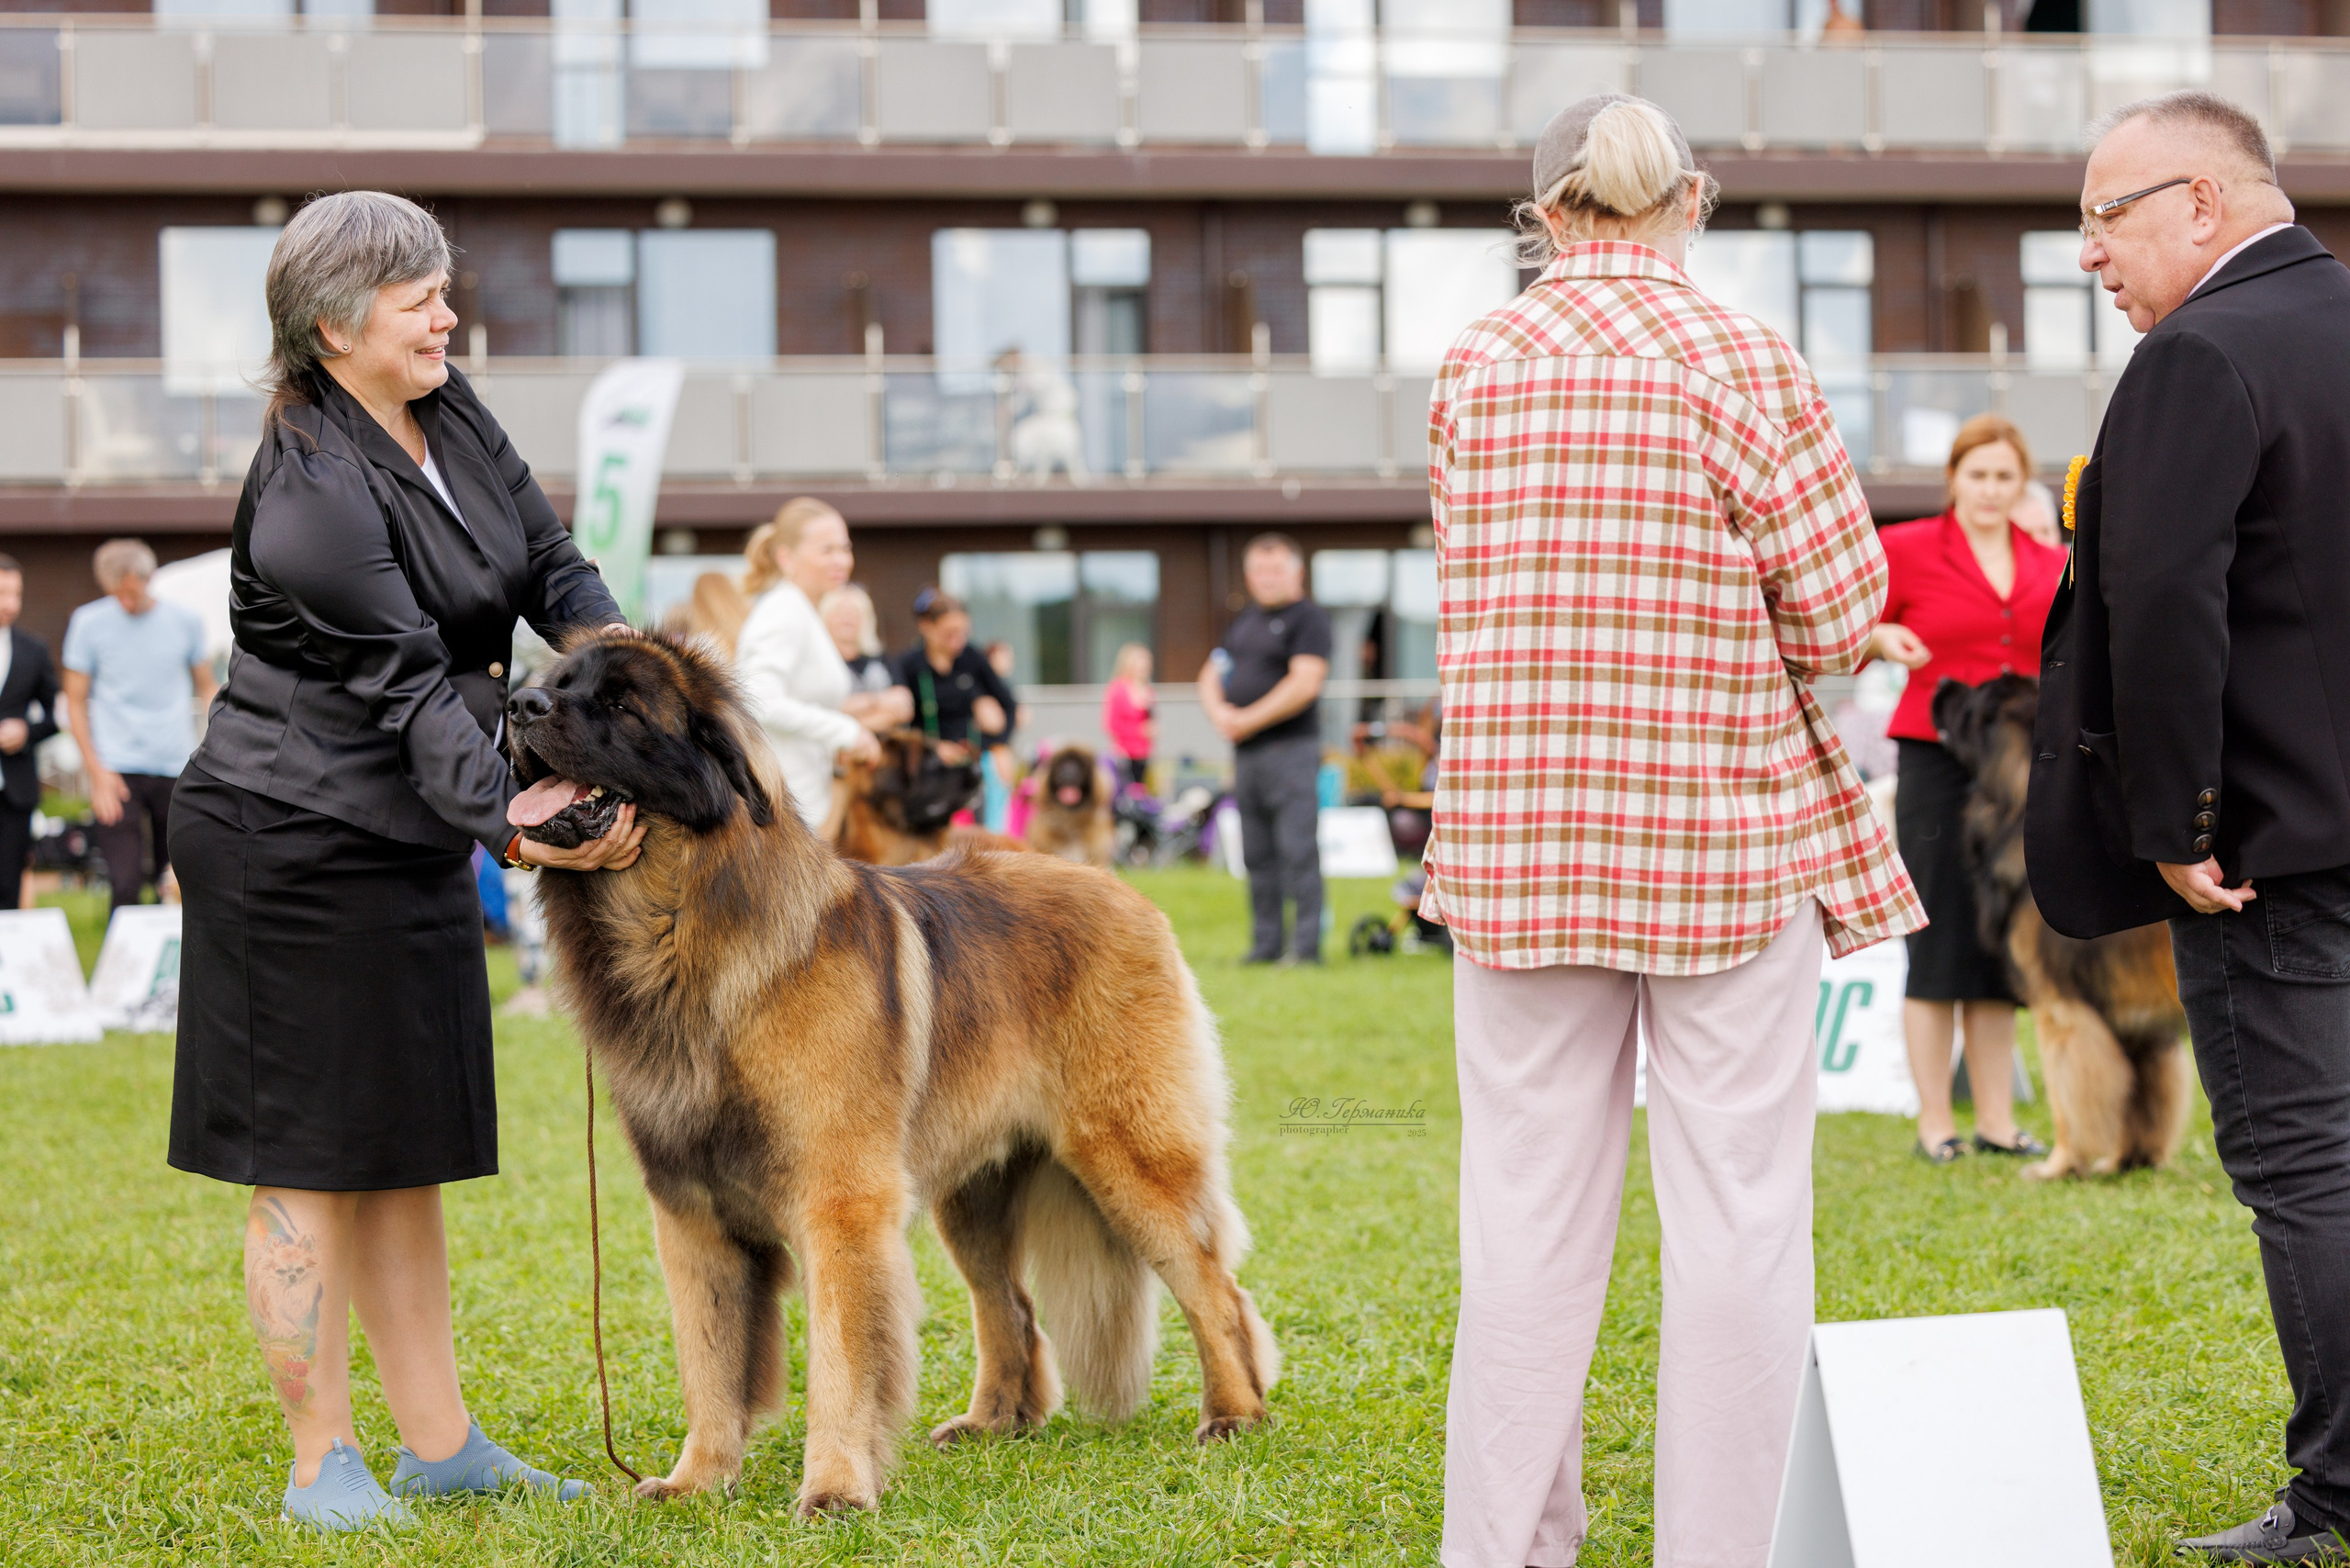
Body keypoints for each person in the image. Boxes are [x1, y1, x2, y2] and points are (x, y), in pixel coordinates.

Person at [1425, 95, 1921, 1568]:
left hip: (1520, 842)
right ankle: (1728, 1548)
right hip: (1718, 831)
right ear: (1688, 199)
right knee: (1740, 1224)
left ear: (1544, 213)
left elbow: (1473, 583)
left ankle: (1504, 1547)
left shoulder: (1476, 366)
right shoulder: (1746, 361)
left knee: (1520, 1224)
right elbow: (1837, 616)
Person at [163, 190, 643, 1532]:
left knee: (406, 1144)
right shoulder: (310, 495)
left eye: (443, 286)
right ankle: (322, 1458)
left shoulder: (449, 408)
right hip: (287, 839)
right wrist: (519, 818)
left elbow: (551, 561)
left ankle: (440, 1443)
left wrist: (633, 682)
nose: (447, 313)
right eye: (417, 296)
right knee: (308, 1153)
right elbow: (415, 687)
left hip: (406, 831)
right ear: (332, 327)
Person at [2026, 91, 2350, 1565]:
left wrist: (2176, 823)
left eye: (2107, 215)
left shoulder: (2196, 354)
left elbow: (2161, 604)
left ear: (2203, 204)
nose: (2090, 252)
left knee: (2307, 1166)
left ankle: (2341, 1494)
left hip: (2267, 850)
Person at [1871, 415, 2066, 1163]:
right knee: (1937, 938)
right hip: (1935, 763)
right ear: (1954, 478)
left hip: (2019, 775)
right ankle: (1934, 1123)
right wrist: (1880, 638)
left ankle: (1994, 1120)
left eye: (2004, 477)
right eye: (1977, 475)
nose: (1990, 490)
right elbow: (1843, 631)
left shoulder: (2049, 563)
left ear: (2023, 486)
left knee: (1998, 944)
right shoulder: (1906, 549)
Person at [1200, 535, 1332, 965]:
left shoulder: (1308, 620)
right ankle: (1266, 944)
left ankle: (1305, 948)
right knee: (1256, 853)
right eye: (1259, 570)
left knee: (1297, 849)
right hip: (1248, 755)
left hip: (1292, 749)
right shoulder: (1244, 623)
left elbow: (1305, 682)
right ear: (1249, 576)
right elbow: (1211, 672)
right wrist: (1220, 711)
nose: (1267, 578)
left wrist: (1246, 718)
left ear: (1297, 573)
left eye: (1276, 569)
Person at [62, 539, 212, 911]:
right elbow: (75, 702)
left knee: (179, 882)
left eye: (131, 592)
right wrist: (96, 772)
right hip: (117, 770)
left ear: (148, 579)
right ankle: (122, 967)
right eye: (117, 595)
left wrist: (210, 752)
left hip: (176, 766)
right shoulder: (88, 623)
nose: (125, 602)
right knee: (124, 883)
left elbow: (207, 687)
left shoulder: (186, 622)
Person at [733, 498, 890, 830]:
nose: (842, 560)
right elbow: (758, 700)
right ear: (786, 558)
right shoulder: (783, 610)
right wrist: (846, 732)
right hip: (784, 813)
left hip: (805, 806)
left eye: (845, 548)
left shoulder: (803, 610)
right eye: (826, 550)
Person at [890, 588, 1014, 761]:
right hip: (928, 761)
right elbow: (901, 727)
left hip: (972, 757)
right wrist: (934, 748)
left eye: (964, 632)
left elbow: (1009, 705)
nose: (959, 640)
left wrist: (997, 745)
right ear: (927, 627)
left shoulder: (973, 659)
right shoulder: (908, 666)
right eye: (950, 633)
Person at [0, 554, 58, 907]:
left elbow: (55, 715)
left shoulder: (33, 650)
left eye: (16, 594)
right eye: (2, 593)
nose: (10, 604)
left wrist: (26, 730)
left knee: (8, 886)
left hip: (15, 791)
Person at [818, 582, 898, 700]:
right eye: (839, 612)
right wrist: (877, 701)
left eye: (853, 612)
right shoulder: (819, 662)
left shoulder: (880, 660)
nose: (846, 618)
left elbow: (901, 704)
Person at [1102, 641, 1156, 787]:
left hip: (1143, 754)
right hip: (1124, 755)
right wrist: (1139, 731)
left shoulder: (1147, 690)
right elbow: (1111, 725)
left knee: (1140, 793)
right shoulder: (1118, 689)